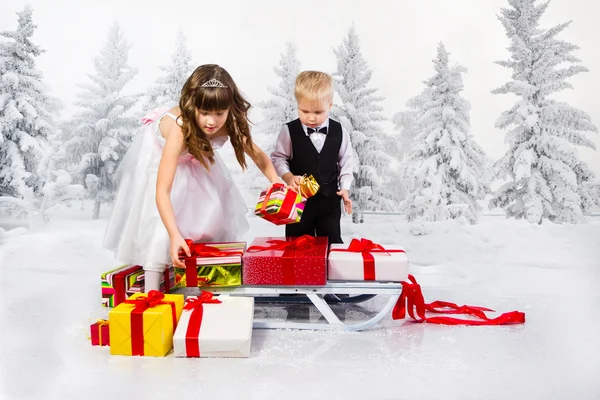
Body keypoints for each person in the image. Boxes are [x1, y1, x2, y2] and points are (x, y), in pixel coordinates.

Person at [103, 64, 280, 292]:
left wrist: (275, 181)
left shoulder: (230, 124)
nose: (212, 121)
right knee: (158, 226)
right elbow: (162, 191)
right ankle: (151, 293)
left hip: (195, 158)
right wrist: (175, 235)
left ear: (229, 108)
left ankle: (208, 278)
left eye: (219, 113)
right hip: (161, 159)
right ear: (192, 106)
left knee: (212, 211)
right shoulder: (179, 128)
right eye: (204, 112)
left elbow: (260, 157)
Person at [270, 70, 354, 244]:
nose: (311, 118)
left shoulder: (340, 132)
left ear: (330, 106)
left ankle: (329, 272)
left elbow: (346, 162)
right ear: (297, 105)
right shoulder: (288, 131)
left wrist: (345, 188)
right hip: (298, 202)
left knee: (331, 243)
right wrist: (288, 176)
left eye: (318, 112)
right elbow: (278, 158)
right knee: (297, 244)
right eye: (304, 111)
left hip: (329, 202)